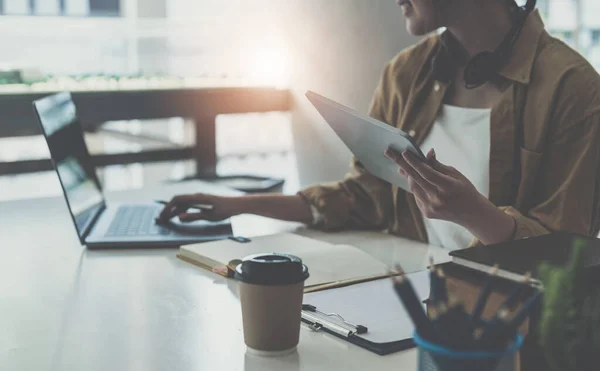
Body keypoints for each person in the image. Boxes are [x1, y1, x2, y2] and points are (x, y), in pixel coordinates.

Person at [159, 0, 600, 250]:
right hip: (410, 302)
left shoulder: (574, 89)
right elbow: (362, 197)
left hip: (501, 339)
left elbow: (569, 259)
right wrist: (238, 205)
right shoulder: (407, 73)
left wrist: (476, 216)